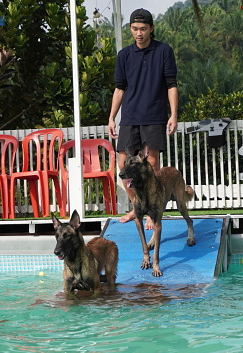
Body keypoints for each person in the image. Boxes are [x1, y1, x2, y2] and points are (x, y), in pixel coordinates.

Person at [108, 8, 179, 229]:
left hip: (154, 115)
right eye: (135, 29)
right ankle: (137, 205)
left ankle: (152, 211)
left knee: (152, 164)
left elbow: (171, 85)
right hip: (129, 117)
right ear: (130, 28)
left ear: (151, 29)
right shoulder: (124, 55)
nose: (139, 33)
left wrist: (174, 115)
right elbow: (120, 88)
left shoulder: (164, 51)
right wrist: (111, 117)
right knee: (122, 165)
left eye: (143, 29)